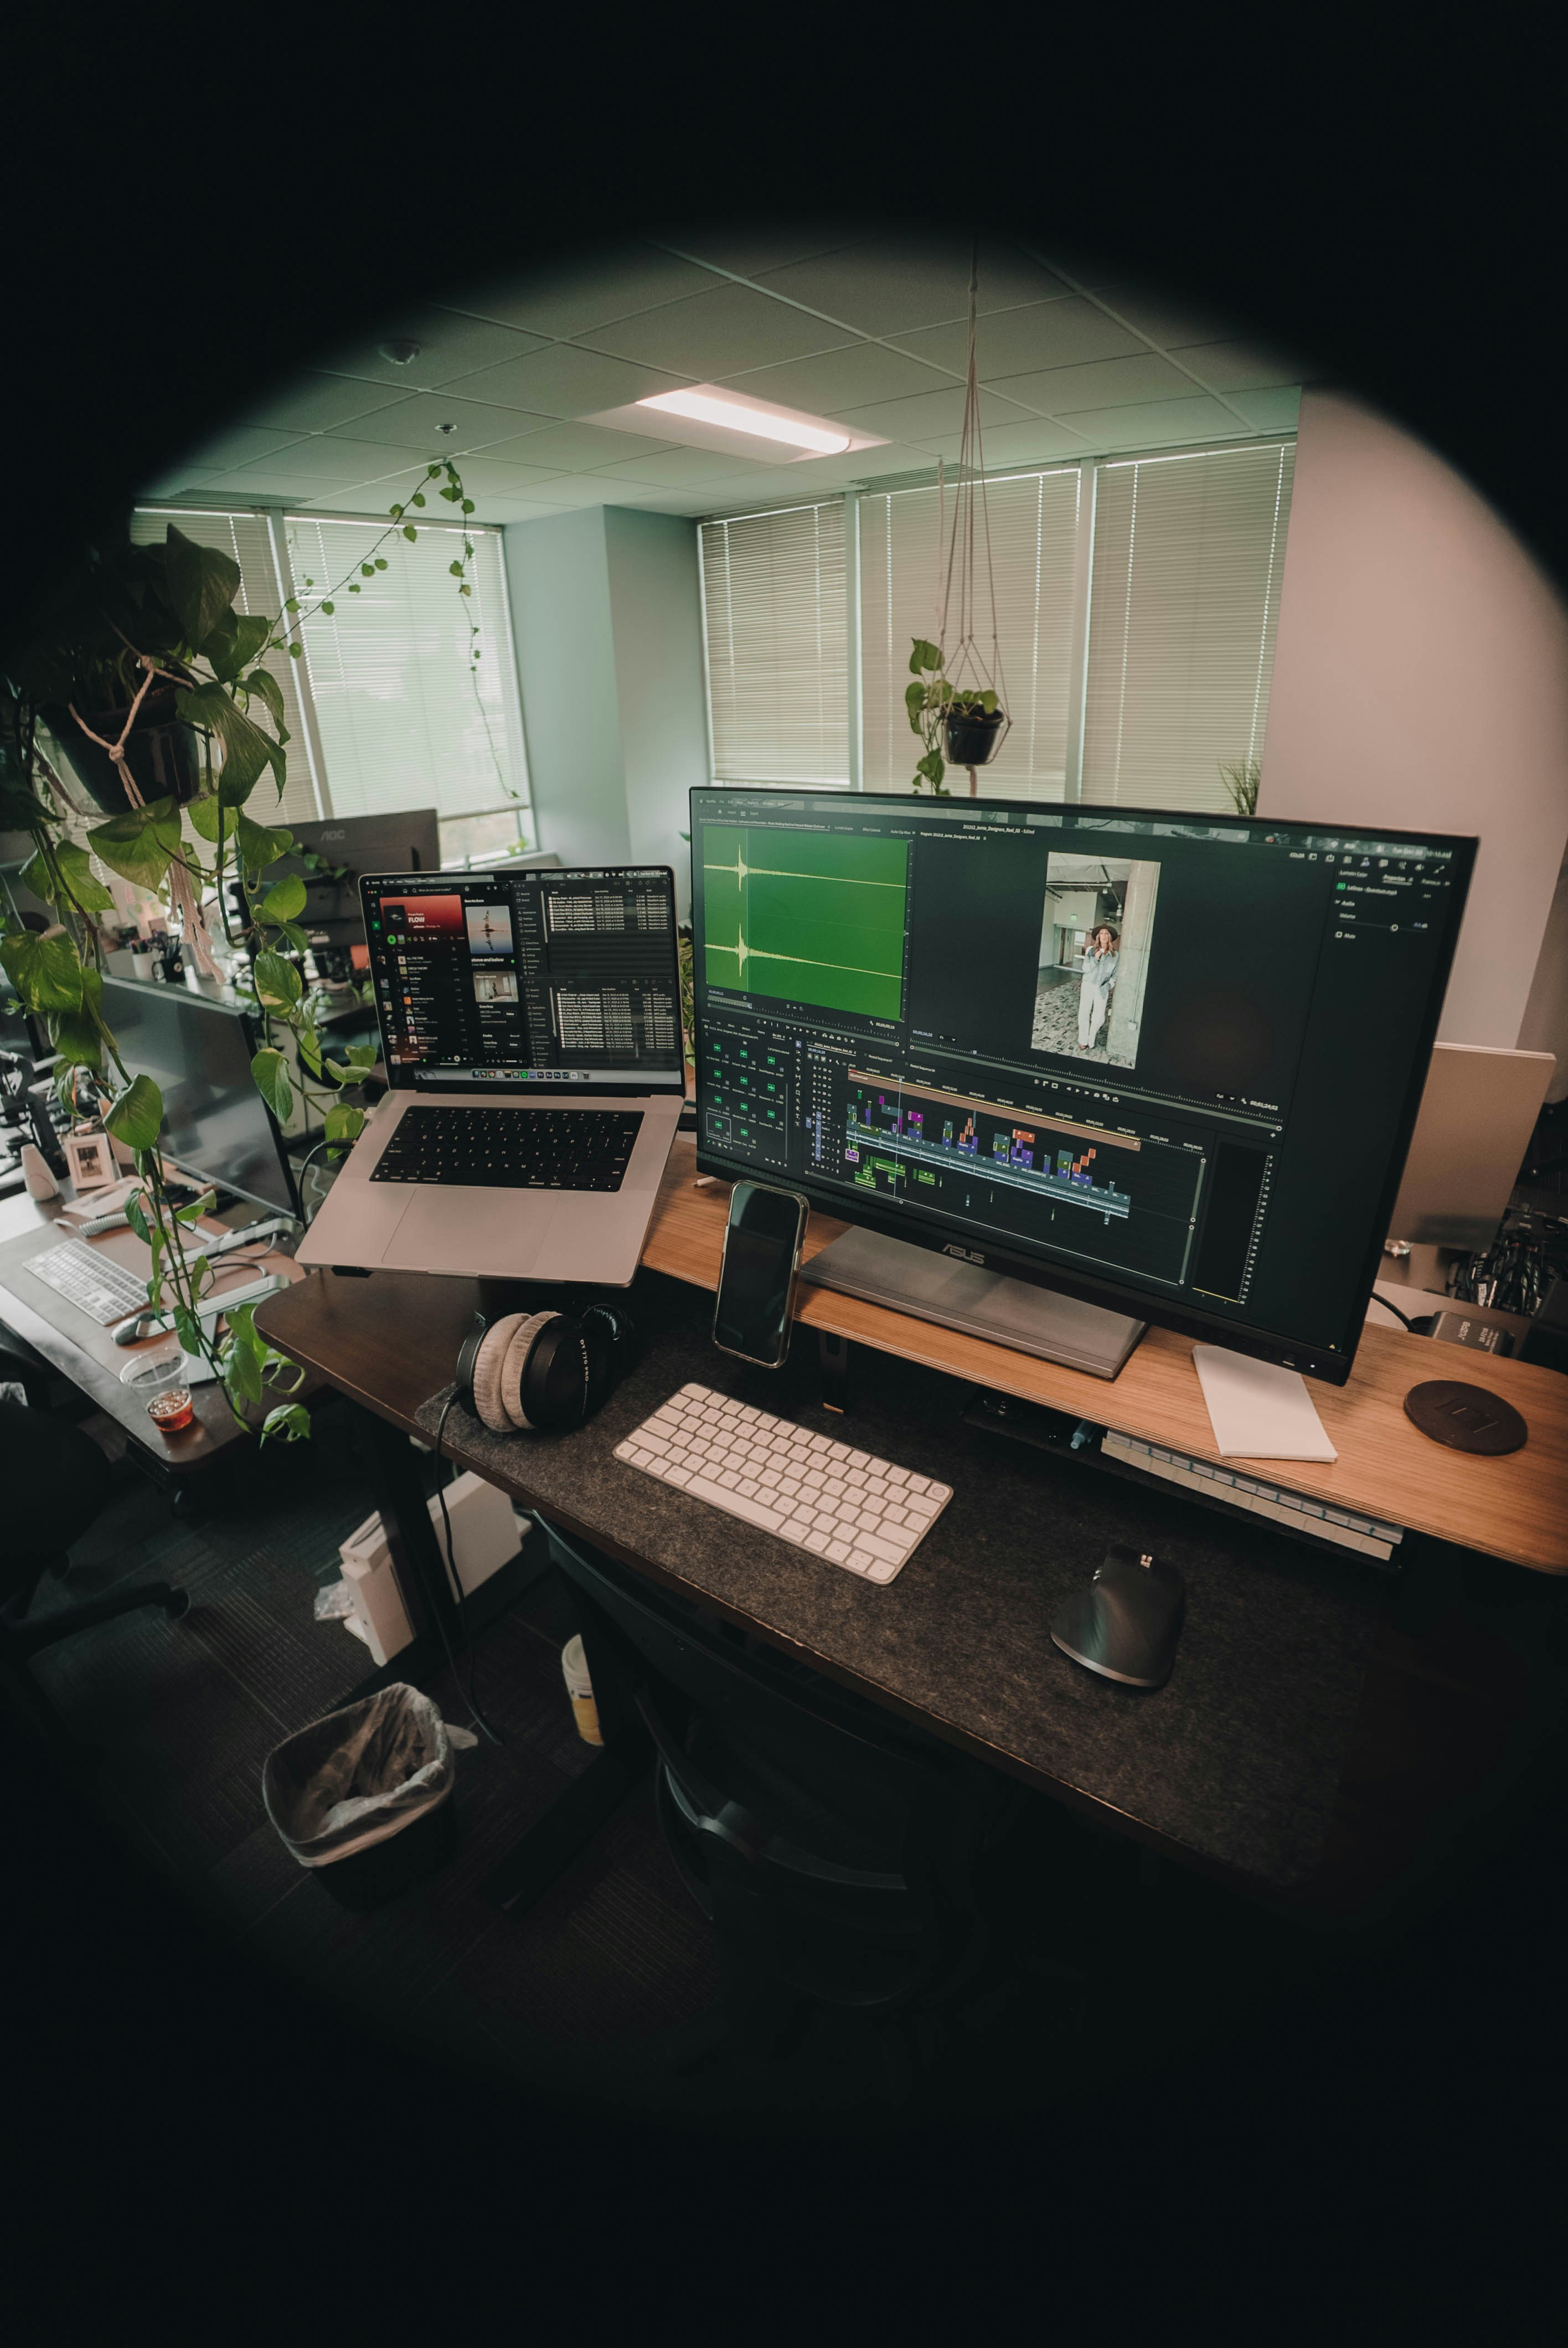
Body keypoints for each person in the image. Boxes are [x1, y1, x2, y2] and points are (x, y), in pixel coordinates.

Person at [1077, 924, 1120, 1051]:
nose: (1104, 936)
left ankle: (1091, 1038)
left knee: (1099, 1017)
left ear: (1110, 937)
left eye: (1107, 933)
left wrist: (1108, 986)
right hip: (1088, 984)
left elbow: (1115, 975)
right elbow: (1085, 969)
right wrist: (1095, 959)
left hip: (1102, 988)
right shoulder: (1091, 950)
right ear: (1098, 936)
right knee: (1084, 1013)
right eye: (1102, 933)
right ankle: (1083, 1040)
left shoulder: (1116, 955)